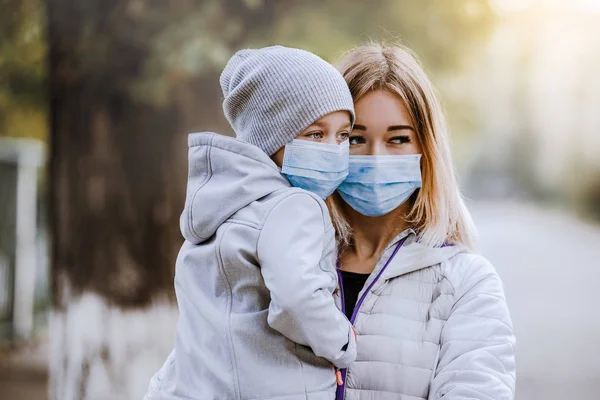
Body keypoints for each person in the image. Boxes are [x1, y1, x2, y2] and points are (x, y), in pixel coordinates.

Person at [143, 46, 357, 400]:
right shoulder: (294, 204)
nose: (334, 149)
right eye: (315, 135)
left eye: (343, 136)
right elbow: (297, 298)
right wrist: (342, 341)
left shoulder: (218, 208)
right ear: (271, 136)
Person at [328, 43, 516, 400]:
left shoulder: (466, 284)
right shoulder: (281, 259)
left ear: (426, 150)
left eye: (398, 139)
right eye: (355, 139)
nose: (376, 157)